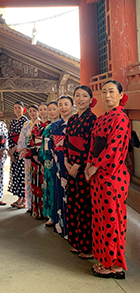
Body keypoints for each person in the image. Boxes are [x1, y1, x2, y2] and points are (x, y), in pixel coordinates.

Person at [86, 81, 130, 279]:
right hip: (96, 175)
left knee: (112, 220)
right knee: (100, 219)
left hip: (112, 176)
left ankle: (115, 265)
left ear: (121, 95)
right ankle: (104, 258)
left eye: (112, 91)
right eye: (104, 92)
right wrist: (88, 165)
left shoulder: (121, 118)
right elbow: (93, 144)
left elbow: (113, 147)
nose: (107, 95)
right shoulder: (102, 117)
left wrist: (95, 166)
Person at [63, 85, 96, 259]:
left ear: (90, 100)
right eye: (77, 96)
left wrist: (77, 165)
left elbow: (90, 144)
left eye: (84, 96)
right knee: (73, 204)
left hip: (83, 168)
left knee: (84, 206)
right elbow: (67, 141)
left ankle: (87, 246)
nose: (80, 99)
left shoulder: (92, 119)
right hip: (71, 165)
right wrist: (67, 161)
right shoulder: (73, 119)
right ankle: (76, 242)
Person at [51, 95, 74, 238]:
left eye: (66, 104)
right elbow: (51, 144)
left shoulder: (75, 122)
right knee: (58, 192)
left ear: (72, 106)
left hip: (72, 161)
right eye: (60, 104)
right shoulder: (55, 125)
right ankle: (61, 226)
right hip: (57, 161)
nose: (63, 107)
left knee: (70, 194)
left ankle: (71, 229)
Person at [39, 101, 60, 227]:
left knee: (57, 187)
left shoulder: (63, 125)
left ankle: (59, 215)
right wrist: (42, 162)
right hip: (47, 161)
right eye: (49, 109)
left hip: (59, 160)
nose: (52, 112)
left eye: (54, 109)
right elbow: (43, 146)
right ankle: (51, 215)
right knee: (48, 187)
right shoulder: (47, 128)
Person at [28, 103, 50, 219]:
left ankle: (47, 213)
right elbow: (30, 142)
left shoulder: (51, 126)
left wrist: (42, 157)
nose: (43, 111)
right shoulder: (36, 127)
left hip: (47, 159)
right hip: (35, 159)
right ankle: (37, 210)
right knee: (36, 185)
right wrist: (35, 156)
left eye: (45, 109)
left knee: (46, 185)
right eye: (41, 110)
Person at [17, 104, 41, 212]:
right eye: (30, 111)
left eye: (34, 111)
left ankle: (39, 205)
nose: (32, 113)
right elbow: (22, 139)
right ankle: (30, 204)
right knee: (29, 178)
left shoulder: (40, 124)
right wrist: (22, 149)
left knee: (38, 179)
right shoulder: (26, 124)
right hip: (28, 154)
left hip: (38, 154)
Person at [8, 101, 29, 208]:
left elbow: (23, 136)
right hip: (13, 150)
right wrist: (10, 151)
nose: (17, 110)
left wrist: (16, 148)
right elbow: (10, 135)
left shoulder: (25, 121)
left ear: (23, 109)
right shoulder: (12, 122)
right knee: (16, 174)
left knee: (22, 174)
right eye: (15, 108)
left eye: (19, 108)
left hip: (21, 150)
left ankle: (24, 199)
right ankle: (19, 197)